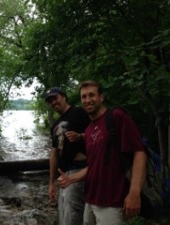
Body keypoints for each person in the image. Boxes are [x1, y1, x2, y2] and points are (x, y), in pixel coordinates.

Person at [57, 80, 147, 225]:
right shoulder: (89, 129)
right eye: (84, 97)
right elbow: (94, 166)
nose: (87, 100)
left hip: (112, 202)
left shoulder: (117, 117)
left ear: (101, 97)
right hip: (90, 200)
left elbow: (139, 153)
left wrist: (134, 193)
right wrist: (71, 179)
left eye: (91, 95)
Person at [45, 87, 90, 225]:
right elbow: (54, 154)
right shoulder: (55, 125)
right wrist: (51, 183)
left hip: (79, 169)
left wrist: (81, 136)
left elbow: (98, 133)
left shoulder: (79, 112)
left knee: (74, 214)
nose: (53, 102)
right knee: (63, 215)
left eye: (55, 98)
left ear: (64, 97)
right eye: (50, 101)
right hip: (62, 173)